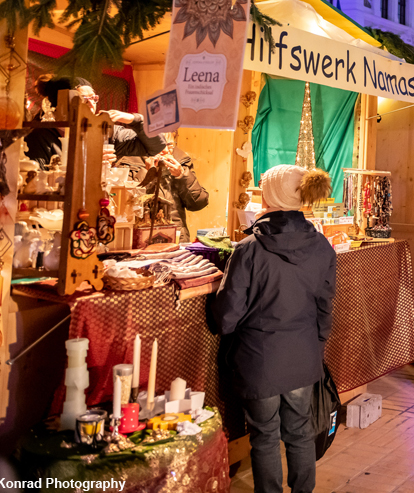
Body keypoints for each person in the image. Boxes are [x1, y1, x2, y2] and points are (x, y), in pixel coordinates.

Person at [214, 166, 336, 493]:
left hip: (259, 359)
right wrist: (315, 346)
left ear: (271, 195)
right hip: (303, 356)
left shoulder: (248, 249)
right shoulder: (322, 246)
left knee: (265, 436)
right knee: (299, 432)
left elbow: (227, 317)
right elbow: (325, 309)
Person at [115, 139, 209, 240]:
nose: (165, 150)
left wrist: (182, 175)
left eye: (169, 145)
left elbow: (198, 203)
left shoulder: (181, 161)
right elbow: (123, 207)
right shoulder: (127, 162)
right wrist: (147, 173)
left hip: (176, 239)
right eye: (159, 144)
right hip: (138, 239)